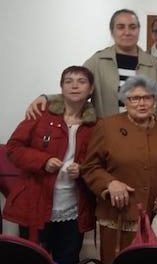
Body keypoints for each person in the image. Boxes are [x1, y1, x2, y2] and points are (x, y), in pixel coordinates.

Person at [82, 75, 157, 264]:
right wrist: (110, 183)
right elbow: (90, 166)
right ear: (125, 100)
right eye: (135, 98)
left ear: (155, 101)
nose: (141, 103)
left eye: (147, 97)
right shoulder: (107, 126)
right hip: (118, 216)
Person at [4, 66, 97, 264]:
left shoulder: (96, 126)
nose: (74, 86)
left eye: (81, 81)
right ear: (61, 88)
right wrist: (43, 161)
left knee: (68, 259)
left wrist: (82, 169)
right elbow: (13, 149)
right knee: (34, 259)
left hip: (74, 210)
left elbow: (98, 163)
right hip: (36, 204)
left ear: (91, 90)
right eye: (68, 81)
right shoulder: (40, 115)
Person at [26, 9, 157, 120]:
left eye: (132, 27)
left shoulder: (155, 65)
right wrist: (47, 98)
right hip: (108, 134)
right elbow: (78, 90)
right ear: (112, 31)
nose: (127, 32)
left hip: (146, 134)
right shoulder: (97, 62)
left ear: (138, 31)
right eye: (121, 27)